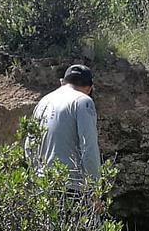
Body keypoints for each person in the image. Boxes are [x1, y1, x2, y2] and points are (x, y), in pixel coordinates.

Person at [26, 64, 101, 193]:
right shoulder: (83, 101)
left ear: (62, 82)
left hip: (42, 185)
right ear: (89, 88)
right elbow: (88, 147)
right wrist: (94, 189)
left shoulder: (43, 101)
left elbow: (29, 145)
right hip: (71, 186)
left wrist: (36, 177)